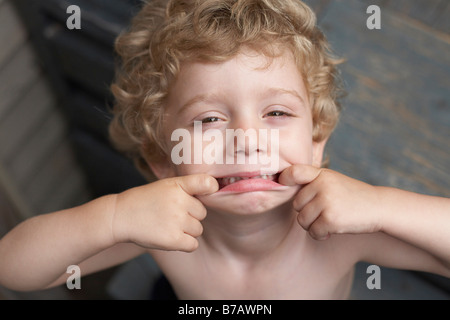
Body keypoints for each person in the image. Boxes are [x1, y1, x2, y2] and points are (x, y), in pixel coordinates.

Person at [0, 0, 449, 299]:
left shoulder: (341, 233)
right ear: (161, 158)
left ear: (315, 144)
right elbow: (14, 269)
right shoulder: (163, 233)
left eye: (275, 113)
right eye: (209, 119)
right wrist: (115, 216)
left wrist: (383, 205)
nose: (247, 139)